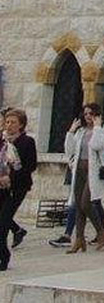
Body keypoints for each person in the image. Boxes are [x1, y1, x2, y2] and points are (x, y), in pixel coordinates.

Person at [64, 103, 104, 253]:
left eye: (91, 113)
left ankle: (101, 231)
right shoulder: (81, 131)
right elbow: (69, 150)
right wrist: (71, 131)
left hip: (93, 171)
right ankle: (79, 239)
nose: (88, 116)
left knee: (86, 203)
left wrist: (97, 127)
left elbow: (97, 145)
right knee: (78, 205)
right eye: (86, 114)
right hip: (79, 169)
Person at [0, 109, 37, 270]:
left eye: (13, 122)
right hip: (1, 185)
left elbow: (30, 166)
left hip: (16, 187)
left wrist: (11, 178)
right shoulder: (2, 141)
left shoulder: (26, 142)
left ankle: (3, 257)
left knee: (3, 222)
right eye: (7, 122)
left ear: (21, 125)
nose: (9, 125)